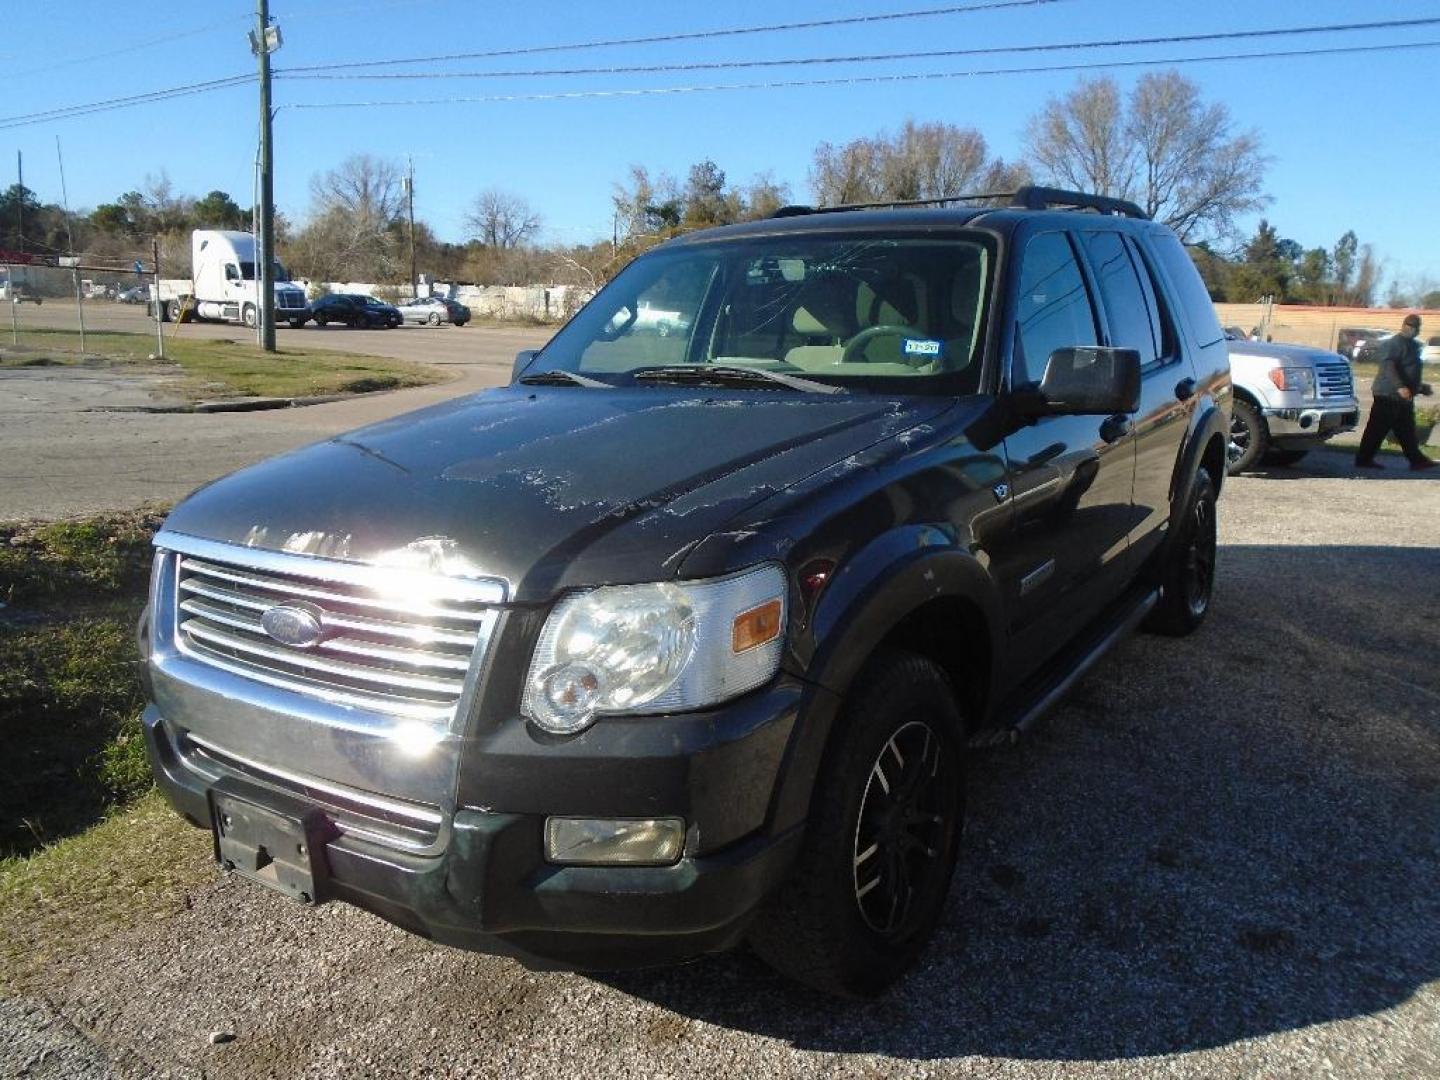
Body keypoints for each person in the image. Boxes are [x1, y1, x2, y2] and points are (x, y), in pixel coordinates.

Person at [1355, 313, 1436, 471]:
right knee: (1377, 429)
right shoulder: (1394, 344)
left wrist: (1419, 387)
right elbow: (1388, 366)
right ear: (1404, 326)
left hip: (1403, 396)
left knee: (1406, 429)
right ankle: (1363, 459)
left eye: (1416, 327)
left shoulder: (1412, 346)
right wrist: (1400, 386)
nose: (1412, 329)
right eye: (1410, 326)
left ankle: (1416, 460)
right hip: (1388, 394)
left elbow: (1409, 369)